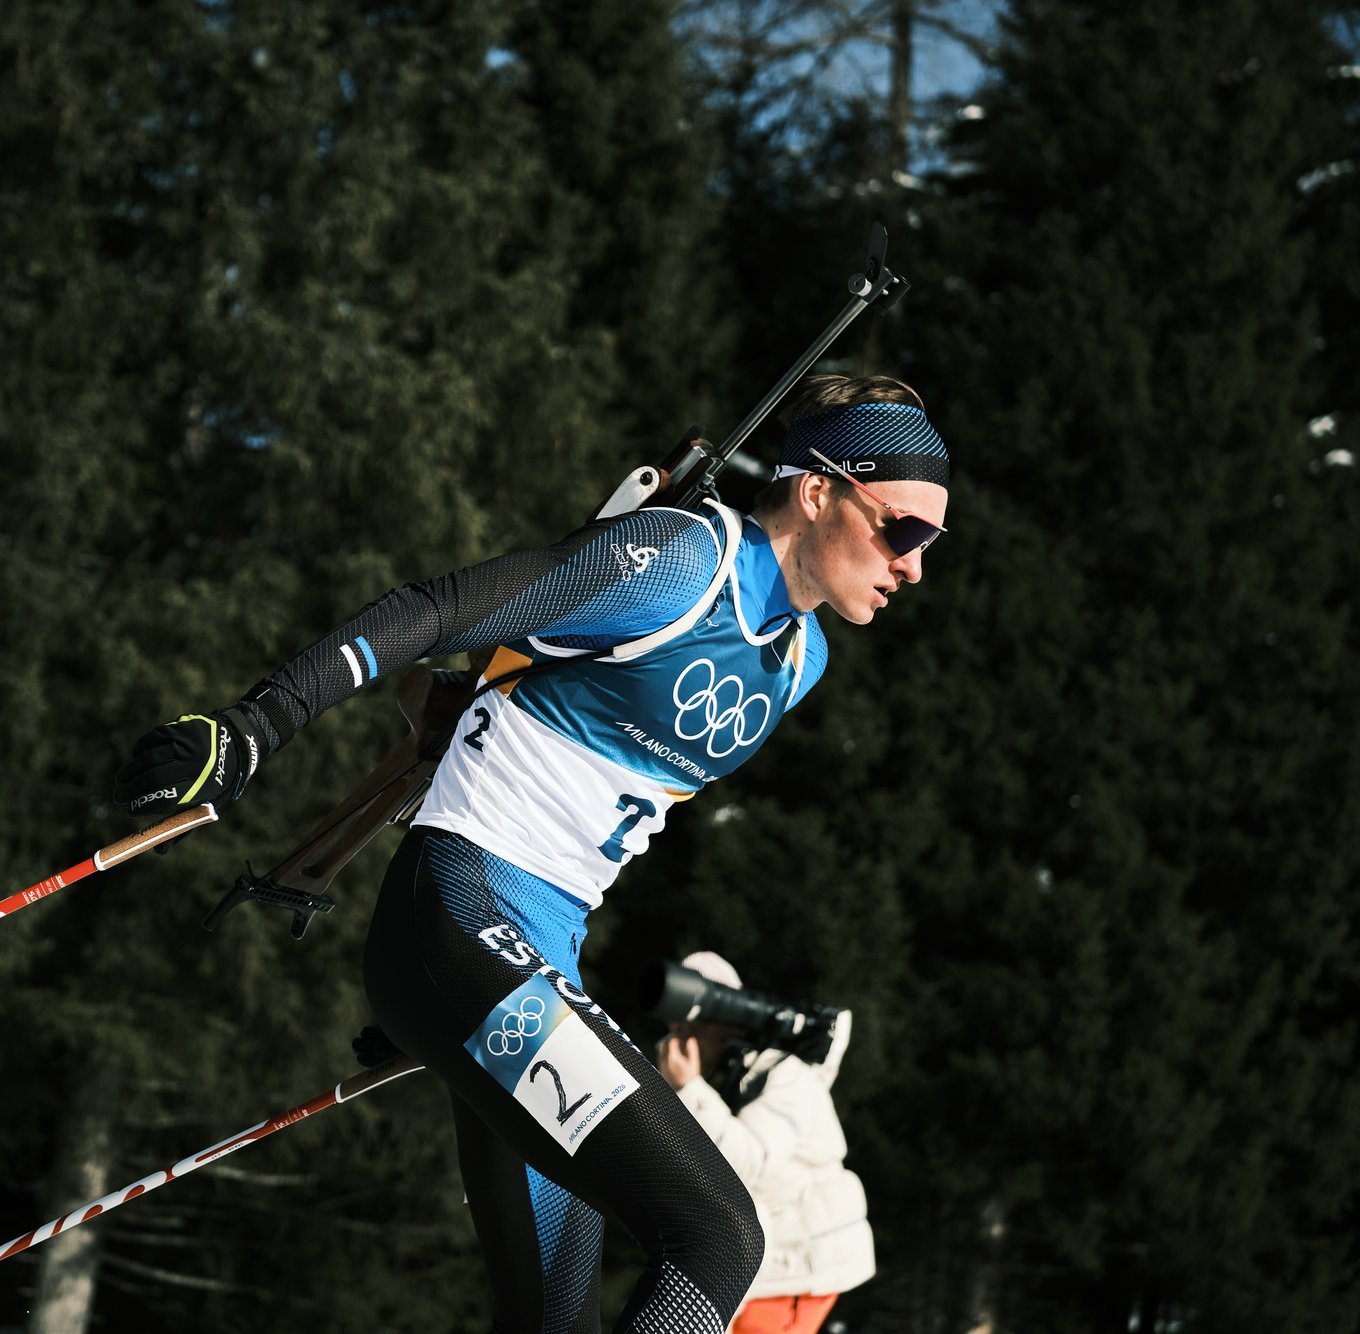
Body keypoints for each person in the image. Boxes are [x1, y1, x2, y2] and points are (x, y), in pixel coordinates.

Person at [113, 374, 950, 1333]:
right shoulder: (681, 562)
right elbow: (440, 612)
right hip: (461, 920)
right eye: (903, 531)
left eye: (930, 543)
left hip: (518, 966)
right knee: (718, 1236)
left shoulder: (798, 662)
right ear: (816, 491)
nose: (915, 568)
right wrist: (255, 726)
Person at [654, 951, 874, 1334]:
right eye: (675, 1027)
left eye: (693, 1028)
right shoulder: (730, 1080)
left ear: (729, 1022)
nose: (681, 1041)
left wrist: (688, 1089)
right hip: (770, 1268)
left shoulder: (785, 1075)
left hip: (801, 1264)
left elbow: (747, 1163)